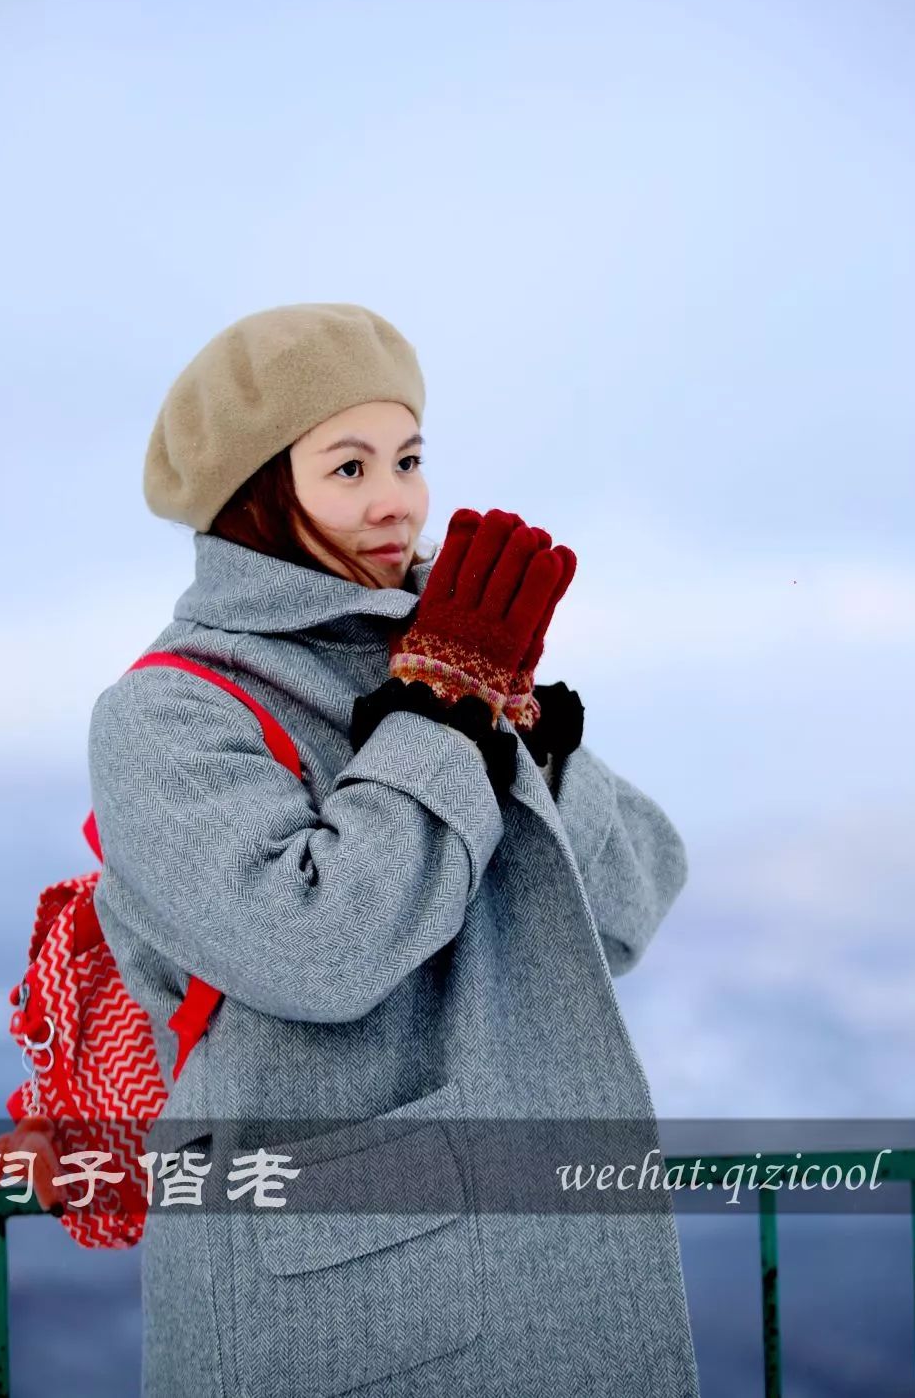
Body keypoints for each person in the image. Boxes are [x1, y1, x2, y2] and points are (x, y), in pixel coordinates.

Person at [87, 302, 700, 1398]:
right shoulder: (169, 714)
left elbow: (635, 900)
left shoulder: (438, 653)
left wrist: (533, 739)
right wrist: (437, 716)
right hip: (341, 1306)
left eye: (409, 457)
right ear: (258, 494)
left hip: (540, 1261)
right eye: (350, 465)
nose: (395, 500)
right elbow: (317, 952)